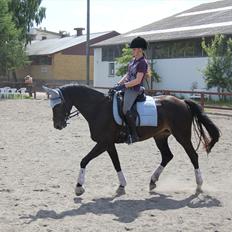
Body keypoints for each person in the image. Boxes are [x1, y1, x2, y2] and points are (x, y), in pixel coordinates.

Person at [112, 36, 148, 144]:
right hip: (127, 87)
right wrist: (119, 83)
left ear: (140, 49)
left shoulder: (142, 63)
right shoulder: (133, 61)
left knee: (125, 109)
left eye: (134, 49)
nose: (132, 51)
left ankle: (133, 134)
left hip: (134, 89)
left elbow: (137, 80)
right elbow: (128, 75)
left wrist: (124, 86)